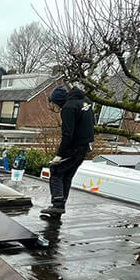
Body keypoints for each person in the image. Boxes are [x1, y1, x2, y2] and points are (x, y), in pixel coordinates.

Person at [41, 85, 95, 218]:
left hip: (74, 147)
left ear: (59, 101)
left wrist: (60, 155)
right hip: (85, 146)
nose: (56, 106)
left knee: (56, 170)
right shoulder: (85, 101)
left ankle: (58, 205)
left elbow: (67, 134)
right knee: (67, 175)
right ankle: (61, 204)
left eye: (55, 103)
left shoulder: (68, 108)